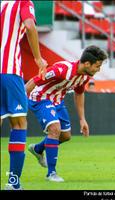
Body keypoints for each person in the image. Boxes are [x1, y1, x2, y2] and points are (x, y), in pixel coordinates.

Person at [26, 45, 107, 182]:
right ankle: (51, 174)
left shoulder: (84, 77)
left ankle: (38, 149)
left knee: (65, 136)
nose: (98, 70)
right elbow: (33, 82)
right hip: (41, 98)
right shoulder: (62, 70)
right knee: (55, 129)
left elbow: (79, 94)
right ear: (87, 63)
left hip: (57, 101)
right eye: (97, 66)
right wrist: (19, 107)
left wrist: (82, 119)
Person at [1, 0, 48, 190]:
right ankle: (13, 182)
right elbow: (29, 25)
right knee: (19, 124)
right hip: (8, 72)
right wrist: (38, 58)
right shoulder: (23, 2)